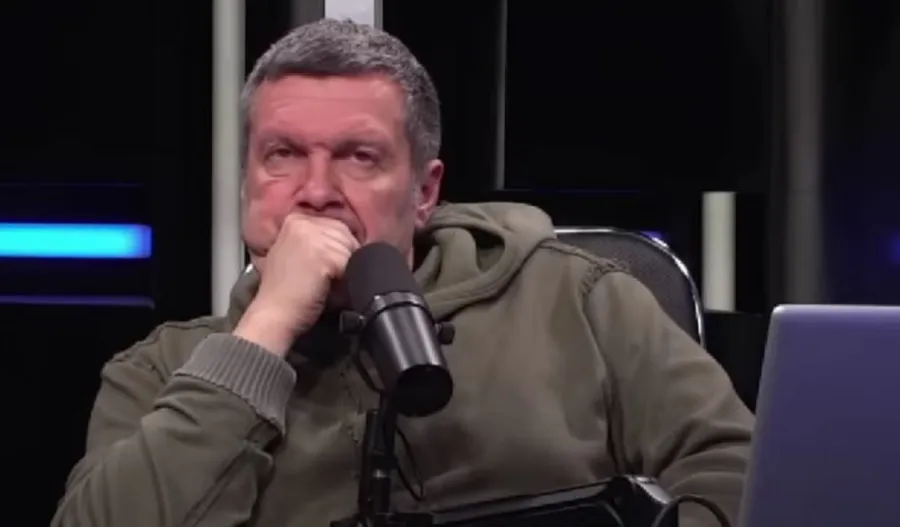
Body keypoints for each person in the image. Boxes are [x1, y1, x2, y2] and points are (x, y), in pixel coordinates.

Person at [52, 19, 754, 527]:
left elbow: (743, 472)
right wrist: (264, 331)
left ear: (424, 191)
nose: (315, 191)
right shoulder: (159, 369)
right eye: (282, 155)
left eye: (359, 156)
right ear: (245, 184)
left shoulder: (581, 301)